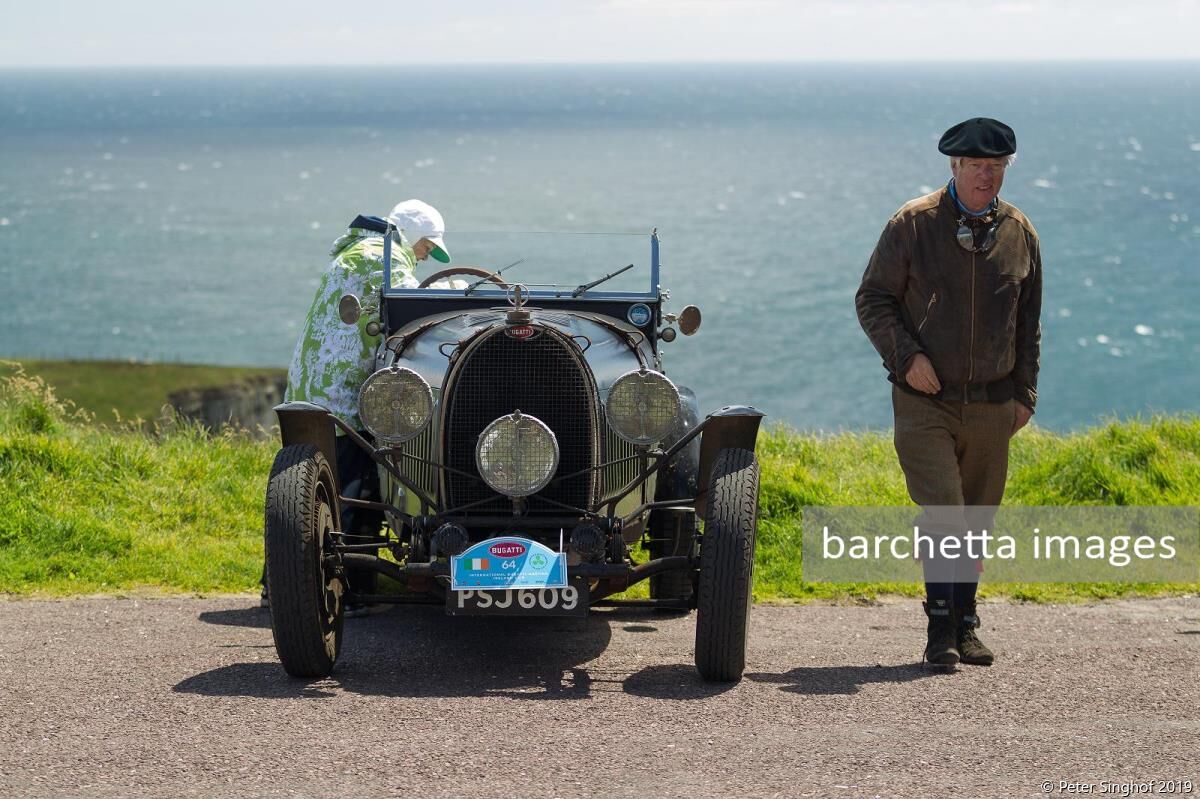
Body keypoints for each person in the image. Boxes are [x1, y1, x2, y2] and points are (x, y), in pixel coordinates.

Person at [855, 118, 1042, 667]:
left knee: (977, 518)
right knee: (945, 512)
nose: (988, 176)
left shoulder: (1019, 231)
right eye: (977, 166)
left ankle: (966, 623)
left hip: (993, 402)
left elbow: (1028, 321)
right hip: (924, 400)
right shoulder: (912, 224)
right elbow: (873, 300)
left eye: (998, 166)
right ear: (954, 167)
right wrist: (906, 357)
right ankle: (939, 629)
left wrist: (1024, 394)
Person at [262, 199, 451, 607]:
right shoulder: (374, 257)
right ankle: (334, 588)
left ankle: (308, 581)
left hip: (322, 381)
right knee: (345, 487)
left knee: (320, 483)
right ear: (409, 234)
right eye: (425, 246)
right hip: (338, 391)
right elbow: (413, 299)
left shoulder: (358, 253)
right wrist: (461, 290)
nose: (425, 255)